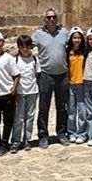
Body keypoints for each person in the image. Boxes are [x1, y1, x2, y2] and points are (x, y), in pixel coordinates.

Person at [31, 8, 72, 148]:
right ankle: (43, 135)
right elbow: (26, 46)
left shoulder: (64, 33)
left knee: (62, 106)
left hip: (62, 75)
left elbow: (75, 45)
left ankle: (61, 133)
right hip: (45, 75)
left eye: (54, 17)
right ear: (44, 20)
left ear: (57, 18)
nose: (51, 20)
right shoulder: (38, 34)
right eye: (48, 17)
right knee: (44, 107)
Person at [10, 35, 41, 152]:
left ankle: (27, 140)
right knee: (18, 118)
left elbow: (37, 75)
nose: (25, 49)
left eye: (27, 46)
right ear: (19, 47)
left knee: (30, 117)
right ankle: (15, 141)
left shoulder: (35, 59)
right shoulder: (15, 60)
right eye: (22, 46)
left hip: (32, 92)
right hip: (20, 92)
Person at [66, 27, 88, 143]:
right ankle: (72, 132)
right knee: (71, 111)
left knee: (82, 110)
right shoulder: (67, 51)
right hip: (71, 84)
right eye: (74, 37)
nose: (76, 40)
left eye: (78, 37)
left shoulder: (85, 51)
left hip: (82, 84)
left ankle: (82, 133)